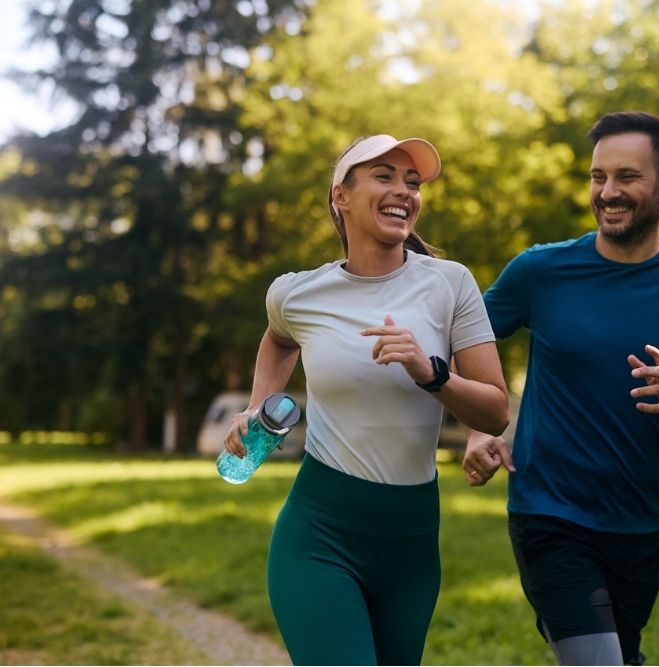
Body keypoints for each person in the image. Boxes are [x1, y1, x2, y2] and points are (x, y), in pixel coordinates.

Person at [463, 111, 659, 665]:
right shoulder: (541, 271)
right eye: (598, 177)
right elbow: (464, 339)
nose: (608, 192)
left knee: (621, 658)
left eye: (627, 177)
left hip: (643, 525)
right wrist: (480, 426)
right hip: (549, 514)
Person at [223, 134, 510, 666]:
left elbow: (494, 409)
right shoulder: (297, 293)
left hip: (412, 542)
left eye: (413, 182)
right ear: (341, 196)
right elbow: (278, 337)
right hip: (320, 534)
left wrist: (431, 373)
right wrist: (258, 404)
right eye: (384, 176)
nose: (404, 190)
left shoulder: (451, 285)